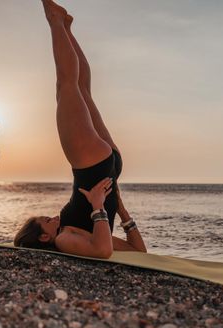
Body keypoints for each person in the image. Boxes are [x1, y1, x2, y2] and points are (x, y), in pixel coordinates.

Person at [14, 0, 147, 258]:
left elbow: (136, 252)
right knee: (66, 86)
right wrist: (102, 207)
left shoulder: (72, 231)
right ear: (44, 237)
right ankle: (55, 20)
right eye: (47, 220)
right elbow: (105, 251)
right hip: (91, 164)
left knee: (80, 89)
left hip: (108, 164)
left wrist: (118, 211)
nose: (53, 216)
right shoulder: (64, 239)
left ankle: (65, 27)